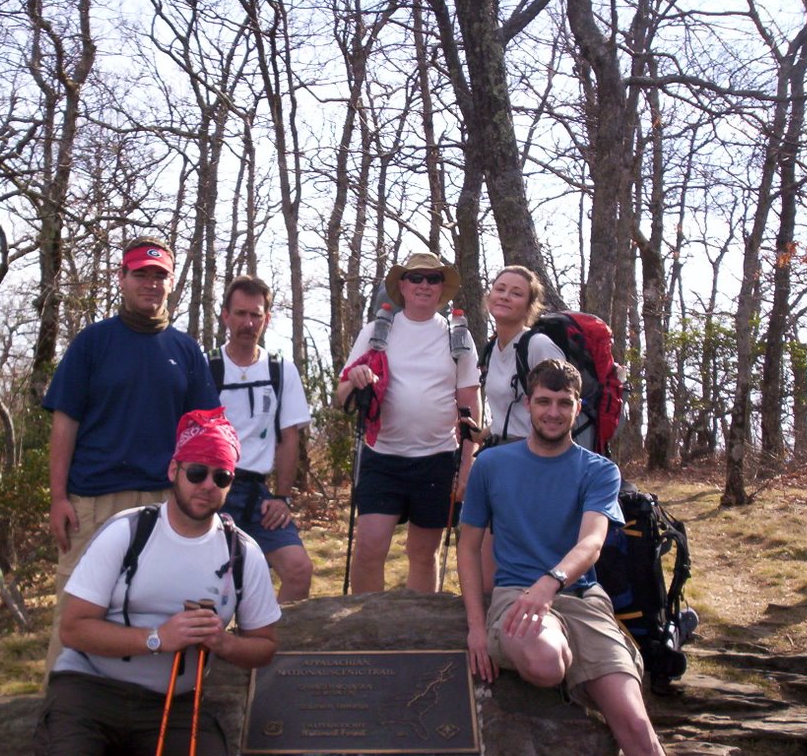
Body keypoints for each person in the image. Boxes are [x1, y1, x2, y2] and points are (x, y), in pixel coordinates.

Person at [35, 407, 281, 756]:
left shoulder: (242, 552)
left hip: (176, 702)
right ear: (173, 470)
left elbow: (266, 646)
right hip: (90, 690)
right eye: (197, 472)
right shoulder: (128, 531)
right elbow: (73, 629)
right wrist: (157, 639)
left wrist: (222, 644)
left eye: (221, 477)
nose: (208, 485)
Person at [458, 360, 665, 756]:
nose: (553, 412)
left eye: (564, 403)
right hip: (517, 596)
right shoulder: (491, 465)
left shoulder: (600, 470)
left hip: (582, 600)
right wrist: (477, 628)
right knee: (545, 662)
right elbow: (468, 548)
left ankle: (592, 682)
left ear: (578, 407)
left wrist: (550, 583)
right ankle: (575, 681)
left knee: (637, 727)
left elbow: (591, 543)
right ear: (527, 405)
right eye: (544, 401)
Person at [41, 235, 220, 674]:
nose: (151, 283)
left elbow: (208, 431)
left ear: (171, 282)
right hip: (94, 501)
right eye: (141, 273)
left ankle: (151, 706)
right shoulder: (93, 343)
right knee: (77, 613)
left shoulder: (186, 350)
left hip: (164, 501)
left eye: (159, 275)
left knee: (156, 608)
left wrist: (205, 495)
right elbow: (64, 424)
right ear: (122, 278)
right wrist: (58, 497)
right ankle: (57, 711)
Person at [337, 252, 480, 593]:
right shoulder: (376, 333)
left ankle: (418, 630)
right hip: (382, 456)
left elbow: (470, 406)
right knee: (370, 547)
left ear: (442, 287)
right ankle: (367, 627)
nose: (424, 285)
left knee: (423, 552)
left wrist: (467, 464)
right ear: (401, 285)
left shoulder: (457, 338)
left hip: (438, 458)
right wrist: (355, 379)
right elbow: (342, 395)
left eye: (433, 278)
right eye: (416, 278)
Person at [211, 275, 313, 602]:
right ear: (225, 315)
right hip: (210, 489)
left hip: (258, 492)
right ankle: (213, 650)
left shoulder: (280, 370)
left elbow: (288, 437)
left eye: (256, 315)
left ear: (267, 319)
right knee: (210, 582)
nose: (248, 322)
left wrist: (282, 498)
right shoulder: (206, 366)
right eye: (240, 314)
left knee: (299, 570)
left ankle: (270, 646)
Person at [472, 265, 566, 592]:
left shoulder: (537, 345)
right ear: (489, 296)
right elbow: (508, 408)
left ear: (529, 307)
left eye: (516, 293)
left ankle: (517, 618)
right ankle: (490, 616)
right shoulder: (490, 348)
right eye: (500, 289)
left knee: (511, 548)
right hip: (497, 455)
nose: (505, 297)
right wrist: (483, 433)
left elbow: (562, 404)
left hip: (532, 462)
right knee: (485, 546)